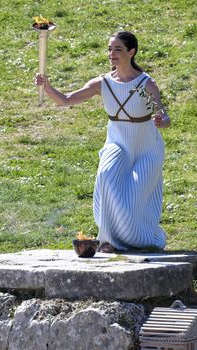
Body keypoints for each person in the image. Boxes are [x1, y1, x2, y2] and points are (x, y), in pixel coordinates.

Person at [35, 31, 170, 253]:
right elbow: (67, 100)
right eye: (109, 49)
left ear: (131, 52)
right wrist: (47, 87)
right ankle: (108, 241)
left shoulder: (146, 84)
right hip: (117, 144)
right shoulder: (103, 83)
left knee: (134, 198)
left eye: (118, 49)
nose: (112, 54)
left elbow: (164, 115)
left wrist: (162, 120)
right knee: (106, 176)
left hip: (147, 147)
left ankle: (144, 240)